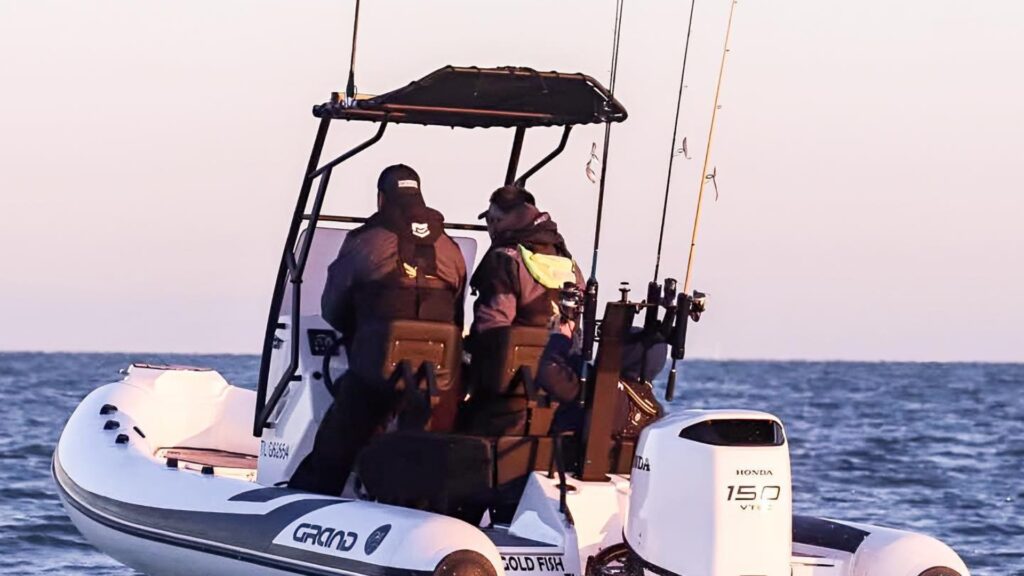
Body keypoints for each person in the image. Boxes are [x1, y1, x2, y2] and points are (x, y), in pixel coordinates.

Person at [290, 164, 467, 496]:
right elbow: (457, 306)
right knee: (426, 426)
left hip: (377, 366)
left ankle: (312, 499)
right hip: (437, 370)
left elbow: (333, 305)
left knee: (340, 434)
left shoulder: (367, 240)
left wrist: (360, 332)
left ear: (381, 198)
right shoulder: (450, 247)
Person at [461, 185, 584, 435]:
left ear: (503, 220)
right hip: (559, 380)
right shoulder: (567, 261)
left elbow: (492, 327)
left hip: (508, 388)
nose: (491, 228)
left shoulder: (505, 259)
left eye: (493, 221)